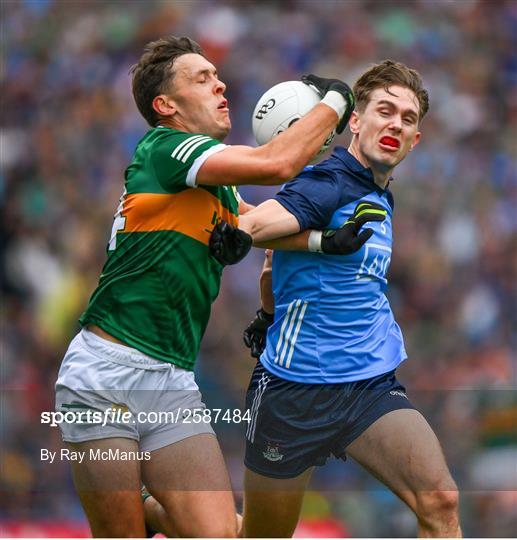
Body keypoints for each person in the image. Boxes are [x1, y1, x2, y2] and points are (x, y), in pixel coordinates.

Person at [53, 35, 356, 538]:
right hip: (102, 378)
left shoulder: (217, 185)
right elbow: (276, 165)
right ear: (165, 105)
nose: (220, 85)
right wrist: (335, 100)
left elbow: (263, 224)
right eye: (201, 78)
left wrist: (326, 241)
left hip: (170, 381)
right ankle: (143, 510)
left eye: (217, 76)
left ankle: (149, 505)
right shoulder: (165, 148)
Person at [213, 60, 462, 537]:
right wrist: (244, 229)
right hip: (293, 393)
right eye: (384, 111)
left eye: (408, 119)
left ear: (416, 140)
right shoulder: (330, 182)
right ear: (355, 121)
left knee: (441, 501)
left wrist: (267, 312)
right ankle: (162, 514)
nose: (395, 123)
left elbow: (273, 265)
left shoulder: (380, 193)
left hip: (367, 386)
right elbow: (265, 223)